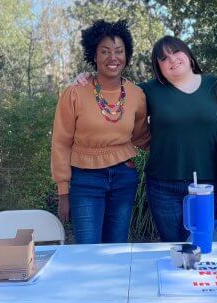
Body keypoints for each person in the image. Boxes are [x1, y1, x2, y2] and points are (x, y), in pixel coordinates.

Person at [75, 35, 217, 242]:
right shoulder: (148, 91)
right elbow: (113, 90)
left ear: (189, 56)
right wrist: (87, 79)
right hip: (162, 186)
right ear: (159, 68)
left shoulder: (216, 85)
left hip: (206, 186)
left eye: (176, 52)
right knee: (175, 248)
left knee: (204, 245)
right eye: (163, 58)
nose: (171, 59)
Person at [50, 20, 149, 244]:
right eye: (104, 51)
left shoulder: (136, 95)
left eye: (119, 51)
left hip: (124, 177)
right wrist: (63, 190)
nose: (112, 58)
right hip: (85, 179)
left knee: (117, 248)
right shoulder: (74, 93)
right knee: (87, 250)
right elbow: (61, 142)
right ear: (93, 55)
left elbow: (142, 136)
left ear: (127, 55)